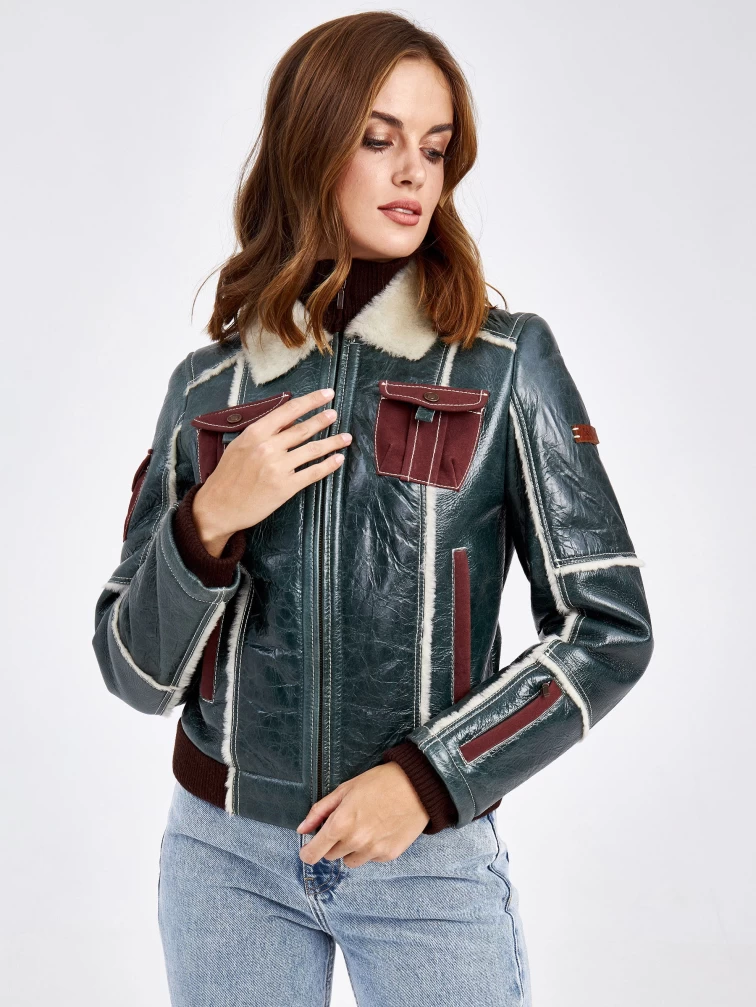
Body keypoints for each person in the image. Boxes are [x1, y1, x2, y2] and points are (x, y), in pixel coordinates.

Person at [92, 11, 654, 1006]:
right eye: (378, 138)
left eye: (433, 148)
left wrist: (430, 778)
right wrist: (208, 520)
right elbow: (133, 672)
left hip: (424, 858)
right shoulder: (208, 386)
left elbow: (608, 628)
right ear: (311, 145)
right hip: (224, 859)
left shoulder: (503, 363)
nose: (412, 174)